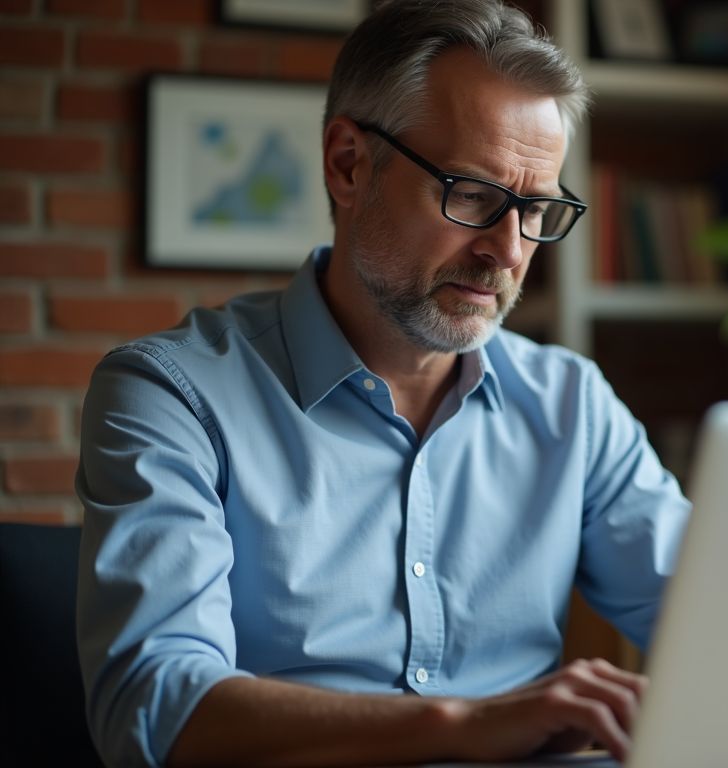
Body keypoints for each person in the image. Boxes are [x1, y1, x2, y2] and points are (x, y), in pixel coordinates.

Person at [75, 1, 691, 765]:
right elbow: (155, 709)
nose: (507, 251)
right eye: (471, 194)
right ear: (347, 164)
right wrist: (463, 727)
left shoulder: (573, 405)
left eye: (536, 209)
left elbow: (721, 622)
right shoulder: (171, 396)